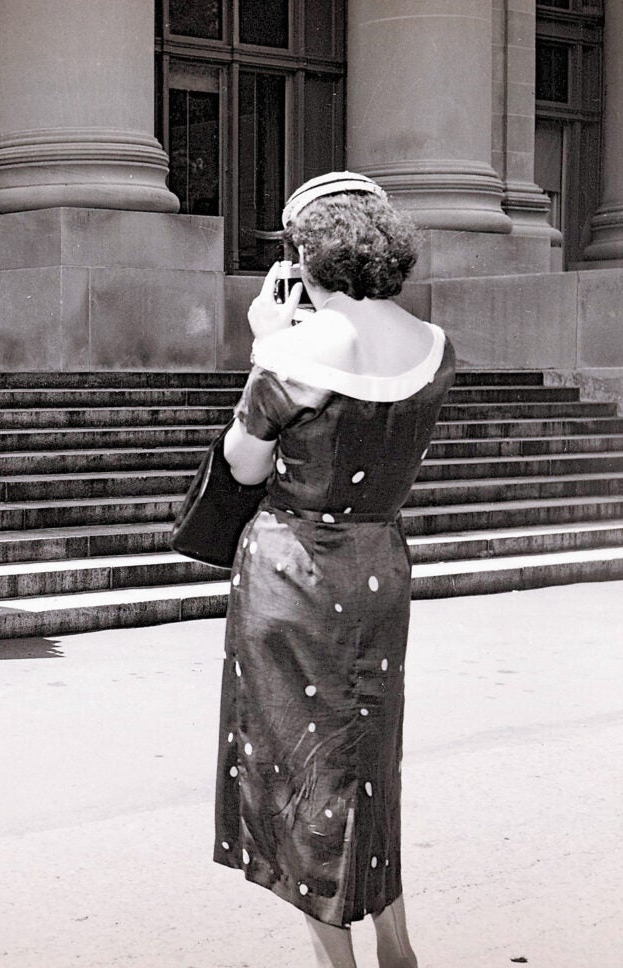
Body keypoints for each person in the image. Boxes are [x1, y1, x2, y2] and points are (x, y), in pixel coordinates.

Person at [214, 172, 454, 968]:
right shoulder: (434, 345)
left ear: (308, 255)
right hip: (381, 569)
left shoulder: (298, 349)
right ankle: (396, 945)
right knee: (367, 763)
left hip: (295, 573)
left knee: (300, 777)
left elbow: (243, 466)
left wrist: (265, 342)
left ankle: (336, 965)